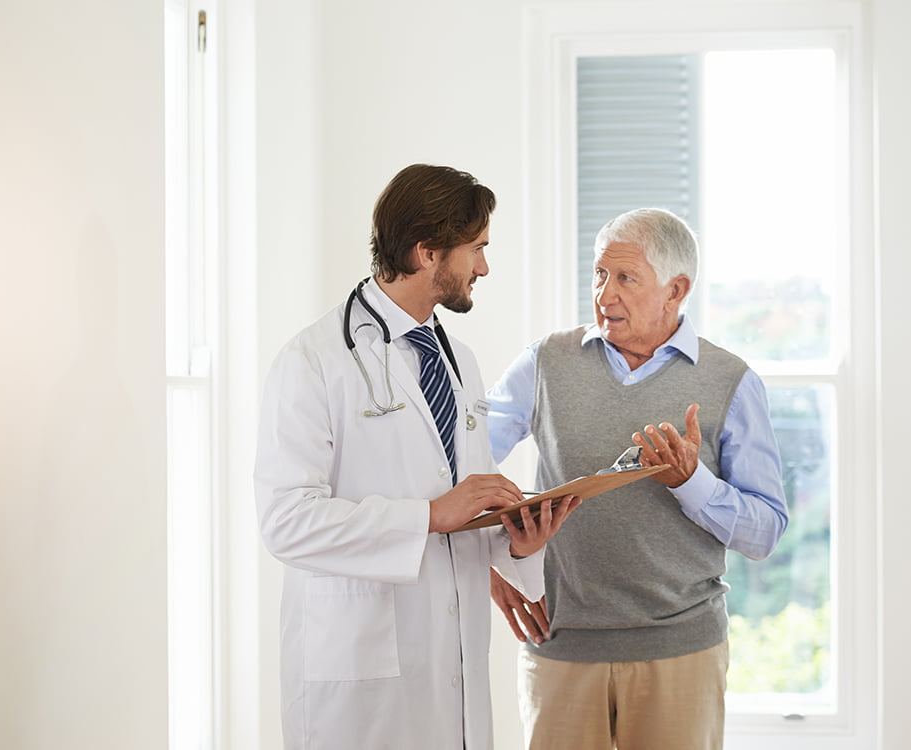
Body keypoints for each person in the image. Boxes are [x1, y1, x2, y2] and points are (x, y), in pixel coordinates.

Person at [254, 163, 580, 750]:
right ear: (427, 251)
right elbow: (286, 524)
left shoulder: (459, 361)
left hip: (450, 670)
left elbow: (464, 512)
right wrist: (429, 515)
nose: (484, 267)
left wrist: (519, 546)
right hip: (359, 683)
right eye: (475, 249)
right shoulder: (313, 361)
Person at [485, 208, 789, 750]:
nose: (604, 294)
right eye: (599, 275)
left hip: (681, 655)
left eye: (625, 278)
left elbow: (763, 533)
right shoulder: (543, 363)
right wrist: (490, 563)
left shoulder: (732, 382)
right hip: (560, 649)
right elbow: (457, 466)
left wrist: (691, 482)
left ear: (676, 289)